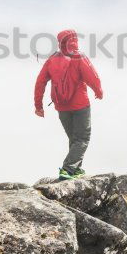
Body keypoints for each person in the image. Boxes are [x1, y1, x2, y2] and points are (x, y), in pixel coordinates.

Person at [34, 29, 103, 180]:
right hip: (80, 105)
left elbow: (40, 82)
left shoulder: (52, 59)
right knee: (82, 138)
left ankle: (76, 169)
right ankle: (68, 169)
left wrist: (38, 105)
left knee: (74, 138)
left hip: (62, 107)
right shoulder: (79, 56)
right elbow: (92, 75)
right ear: (74, 39)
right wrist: (98, 91)